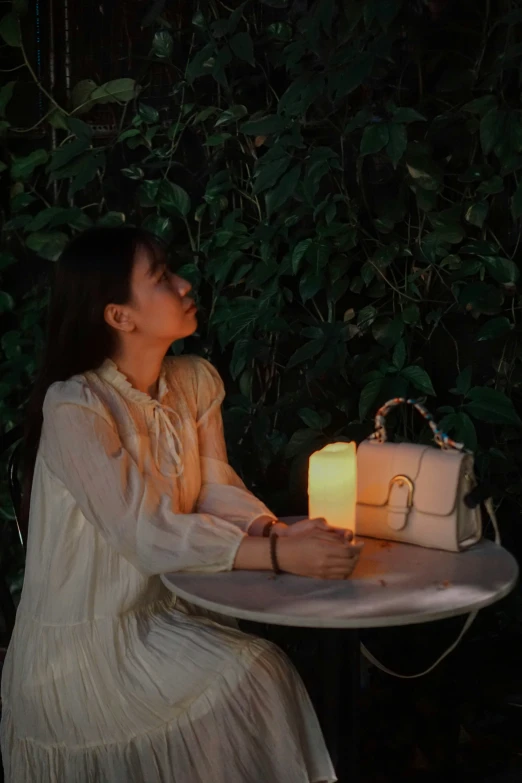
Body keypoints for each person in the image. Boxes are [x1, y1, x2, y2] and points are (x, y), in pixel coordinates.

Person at [0, 226, 362, 782]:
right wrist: (276, 558)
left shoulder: (191, 382)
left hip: (166, 613)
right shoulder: (77, 405)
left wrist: (273, 533)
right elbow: (141, 532)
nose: (185, 283)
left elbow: (214, 488)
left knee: (251, 677)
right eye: (163, 277)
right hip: (86, 650)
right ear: (120, 316)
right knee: (256, 673)